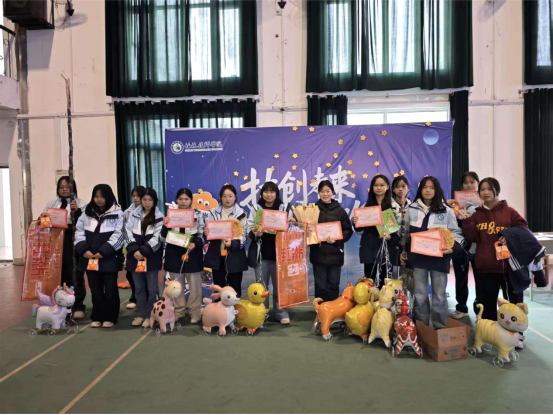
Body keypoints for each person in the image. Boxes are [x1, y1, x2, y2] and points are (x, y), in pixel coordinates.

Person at [462, 178, 528, 323]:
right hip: (486, 267)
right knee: (488, 307)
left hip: (508, 267)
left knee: (513, 306)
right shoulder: (477, 215)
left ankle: (516, 333)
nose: (485, 192)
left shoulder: (509, 212)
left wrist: (509, 236)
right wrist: (467, 223)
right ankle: (490, 332)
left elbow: (523, 228)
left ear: (496, 191)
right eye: (482, 189)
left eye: (489, 189)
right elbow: (473, 238)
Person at [403, 177, 464, 329]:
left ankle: (439, 328)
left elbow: (456, 233)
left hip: (439, 259)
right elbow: (405, 233)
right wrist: (403, 250)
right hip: (418, 258)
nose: (428, 190)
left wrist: (452, 248)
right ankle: (421, 328)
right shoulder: (411, 209)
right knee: (420, 294)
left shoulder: (446, 210)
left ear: (437, 190)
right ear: (420, 190)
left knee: (439, 295)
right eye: (425, 187)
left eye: (432, 187)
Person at [74, 184, 125, 329]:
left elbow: (119, 235)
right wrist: (84, 250)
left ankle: (110, 317)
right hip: (89, 258)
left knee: (110, 289)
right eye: (96, 196)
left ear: (108, 197)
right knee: (95, 289)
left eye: (102, 197)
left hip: (109, 258)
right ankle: (97, 316)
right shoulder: (86, 212)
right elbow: (79, 232)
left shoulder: (118, 213)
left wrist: (103, 251)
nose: (99, 199)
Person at [247, 182, 295, 325]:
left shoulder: (284, 208)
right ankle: (262, 313)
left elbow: (293, 230)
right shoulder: (256, 208)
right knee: (261, 287)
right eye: (266, 192)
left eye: (272, 192)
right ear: (262, 193)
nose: (269, 195)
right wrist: (255, 232)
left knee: (281, 286)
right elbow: (249, 228)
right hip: (261, 253)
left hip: (280, 254)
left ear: (276, 193)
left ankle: (281, 313)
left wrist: (291, 223)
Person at [44, 176, 88, 320]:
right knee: (59, 273)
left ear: (73, 188)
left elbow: (86, 222)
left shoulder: (81, 204)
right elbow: (43, 220)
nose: (64, 190)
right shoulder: (52, 204)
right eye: (61, 187)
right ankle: (61, 304)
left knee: (75, 273)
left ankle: (78, 305)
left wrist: (77, 211)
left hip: (73, 239)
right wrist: (43, 221)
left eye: (68, 187)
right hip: (57, 239)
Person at [162, 188, 205, 324]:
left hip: (193, 253)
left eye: (186, 199)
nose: (183, 202)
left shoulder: (198, 214)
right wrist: (165, 226)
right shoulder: (170, 214)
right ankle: (178, 311)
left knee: (195, 287)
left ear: (191, 200)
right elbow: (163, 237)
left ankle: (195, 312)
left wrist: (195, 244)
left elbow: (203, 235)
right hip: (174, 253)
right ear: (176, 200)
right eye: (180, 199)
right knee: (176, 286)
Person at [125, 188, 165, 329]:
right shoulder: (132, 214)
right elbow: (127, 232)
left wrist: (143, 251)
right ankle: (140, 314)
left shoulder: (159, 217)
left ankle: (150, 315)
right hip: (134, 257)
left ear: (154, 201)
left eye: (150, 200)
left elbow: (157, 238)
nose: (147, 202)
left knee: (152, 288)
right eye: (144, 200)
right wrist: (134, 250)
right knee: (139, 288)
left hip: (151, 256)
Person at [309, 181, 353, 303]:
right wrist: (308, 232)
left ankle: (333, 310)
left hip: (335, 254)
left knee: (333, 284)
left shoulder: (340, 211)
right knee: (320, 285)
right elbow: (306, 227)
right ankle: (320, 309)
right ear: (318, 193)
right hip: (318, 254)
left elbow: (348, 230)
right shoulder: (312, 210)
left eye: (328, 191)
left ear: (333, 192)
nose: (325, 194)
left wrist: (338, 239)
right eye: (322, 191)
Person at [353, 174, 400, 287]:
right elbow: (360, 231)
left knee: (386, 284)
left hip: (388, 248)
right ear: (372, 188)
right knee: (369, 282)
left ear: (387, 187)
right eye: (376, 185)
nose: (379, 188)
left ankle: (384, 299)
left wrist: (390, 237)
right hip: (370, 247)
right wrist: (356, 223)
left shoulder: (394, 207)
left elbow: (399, 231)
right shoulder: (365, 207)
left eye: (382, 185)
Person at [204, 185, 248, 297]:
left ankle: (234, 308)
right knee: (219, 287)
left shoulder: (242, 213)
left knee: (235, 287)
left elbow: (245, 235)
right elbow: (206, 232)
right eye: (224, 196)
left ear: (235, 197)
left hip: (235, 255)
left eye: (230, 196)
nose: (227, 199)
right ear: (220, 197)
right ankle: (218, 308)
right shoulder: (212, 212)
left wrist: (233, 243)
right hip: (217, 254)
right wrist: (206, 233)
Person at [447, 172, 480, 319]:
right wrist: (449, 208)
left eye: (472, 182)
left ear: (477, 184)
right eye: (466, 183)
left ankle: (480, 309)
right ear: (461, 186)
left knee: (481, 280)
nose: (469, 185)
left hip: (479, 247)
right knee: (461, 278)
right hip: (461, 247)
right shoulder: (455, 204)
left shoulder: (484, 202)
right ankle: (461, 307)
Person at [123, 186, 146, 311]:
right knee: (130, 274)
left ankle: (148, 299)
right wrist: (131, 247)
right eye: (134, 196)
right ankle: (134, 298)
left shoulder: (150, 210)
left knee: (146, 275)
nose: (136, 198)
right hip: (132, 247)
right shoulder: (127, 212)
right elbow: (124, 230)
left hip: (145, 248)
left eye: (139, 196)